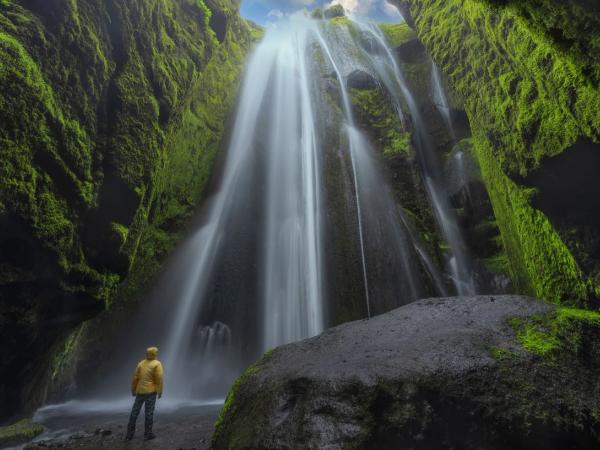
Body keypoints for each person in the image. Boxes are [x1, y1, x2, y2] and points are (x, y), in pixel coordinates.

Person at [126, 346, 164, 441]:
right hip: (151, 392)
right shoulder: (157, 364)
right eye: (156, 353)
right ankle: (148, 434)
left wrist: (133, 389)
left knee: (134, 412)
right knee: (149, 413)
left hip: (140, 392)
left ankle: (129, 435)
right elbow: (159, 378)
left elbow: (135, 378)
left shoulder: (141, 363)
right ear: (154, 354)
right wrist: (160, 391)